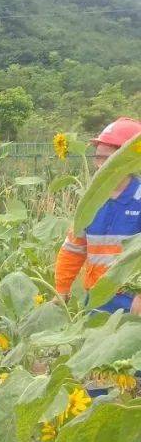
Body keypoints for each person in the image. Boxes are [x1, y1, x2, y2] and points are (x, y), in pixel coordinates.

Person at [55, 117, 141, 317]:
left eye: (106, 158)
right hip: (96, 297)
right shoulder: (91, 201)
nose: (99, 165)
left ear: (128, 160)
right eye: (98, 157)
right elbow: (74, 248)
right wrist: (62, 289)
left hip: (131, 299)